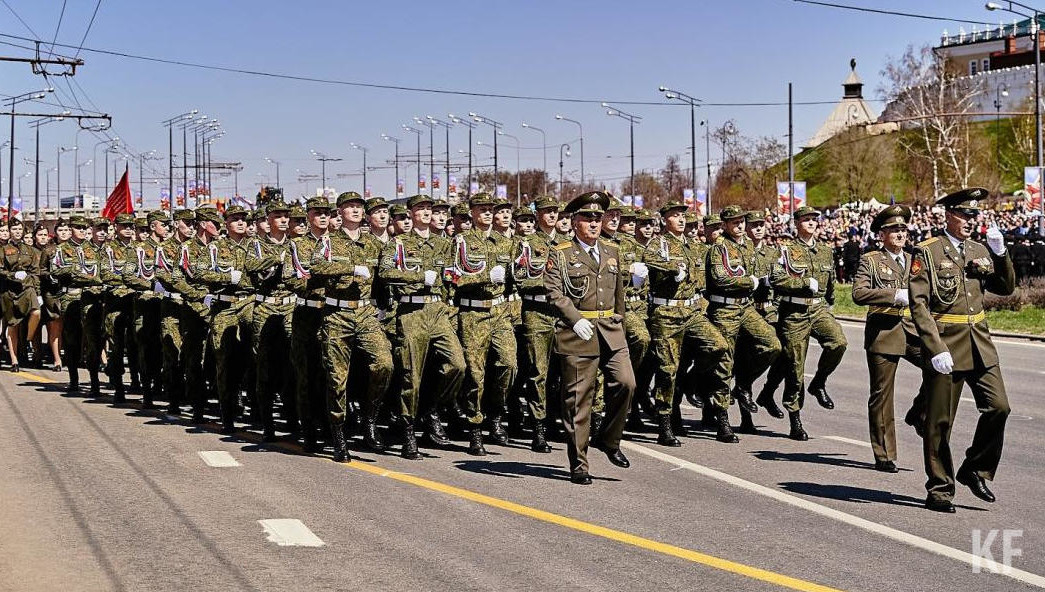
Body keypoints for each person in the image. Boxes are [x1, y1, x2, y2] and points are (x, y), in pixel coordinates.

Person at [909, 188, 1014, 513]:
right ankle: (940, 489)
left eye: (974, 215)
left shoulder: (978, 249)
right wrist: (934, 346)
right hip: (947, 345)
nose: (971, 221)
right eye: (965, 215)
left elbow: (1005, 287)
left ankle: (974, 469)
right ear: (949, 215)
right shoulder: (928, 251)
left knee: (999, 407)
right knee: (940, 422)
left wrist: (1000, 254)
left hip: (980, 343)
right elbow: (919, 304)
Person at [544, 191, 635, 485]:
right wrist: (575, 318)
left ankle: (608, 440)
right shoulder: (561, 252)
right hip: (578, 333)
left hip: (610, 330)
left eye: (599, 217)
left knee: (626, 383)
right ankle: (579, 463)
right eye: (588, 218)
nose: (595, 223)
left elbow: (619, 293)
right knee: (578, 402)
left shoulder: (612, 251)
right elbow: (554, 293)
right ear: (574, 221)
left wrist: (620, 319)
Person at [379, 199, 465, 459]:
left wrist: (453, 282)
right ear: (411, 214)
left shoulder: (445, 244)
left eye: (431, 210)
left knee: (457, 366)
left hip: (438, 310)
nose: (427, 214)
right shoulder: (400, 243)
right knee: (411, 375)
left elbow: (454, 275)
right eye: (421, 210)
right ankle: (408, 430)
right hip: (412, 311)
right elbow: (385, 272)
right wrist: (418, 277)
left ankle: (429, 409)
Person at [312, 192, 393, 461]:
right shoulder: (329, 241)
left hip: (367, 313)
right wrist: (348, 270)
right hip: (337, 314)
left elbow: (387, 273)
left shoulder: (374, 243)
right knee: (337, 379)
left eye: (360, 207)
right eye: (350, 207)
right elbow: (316, 267)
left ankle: (370, 418)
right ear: (340, 212)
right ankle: (338, 436)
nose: (356, 210)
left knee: (384, 364)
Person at [851, 205, 927, 473]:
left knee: (943, 370)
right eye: (894, 229)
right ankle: (884, 454)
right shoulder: (871, 260)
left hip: (915, 330)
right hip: (884, 332)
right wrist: (893, 295)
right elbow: (858, 294)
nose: (900, 233)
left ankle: (918, 412)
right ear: (881, 234)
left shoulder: (915, 259)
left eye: (903, 229)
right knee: (882, 395)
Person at [645, 202, 728, 445]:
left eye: (682, 216)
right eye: (674, 216)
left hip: (692, 311)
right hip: (666, 312)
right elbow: (648, 258)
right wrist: (672, 268)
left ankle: (692, 384)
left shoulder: (694, 246)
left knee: (718, 346)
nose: (681, 220)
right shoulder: (660, 244)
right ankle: (665, 423)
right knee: (668, 370)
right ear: (664, 220)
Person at [771, 206, 848, 440]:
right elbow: (776, 277)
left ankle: (819, 383)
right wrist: (803, 283)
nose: (812, 223)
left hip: (817, 308)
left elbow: (831, 278)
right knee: (795, 366)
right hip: (794, 311)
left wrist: (831, 301)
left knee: (838, 342)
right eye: (806, 219)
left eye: (815, 219)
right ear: (796, 223)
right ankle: (795, 417)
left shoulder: (825, 250)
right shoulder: (786, 250)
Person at [706, 205, 781, 443]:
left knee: (772, 345)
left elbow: (759, 272)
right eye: (734, 222)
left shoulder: (747, 246)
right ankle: (722, 417)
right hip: (725, 308)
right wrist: (749, 282)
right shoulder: (719, 247)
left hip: (746, 307)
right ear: (725, 225)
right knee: (724, 363)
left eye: (741, 221)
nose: (739, 225)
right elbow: (720, 278)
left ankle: (744, 385)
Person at [453, 193, 517, 454]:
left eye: (491, 209)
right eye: (482, 209)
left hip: (500, 311)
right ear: (472, 213)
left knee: (508, 364)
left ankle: (496, 414)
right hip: (473, 313)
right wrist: (481, 277)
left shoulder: (506, 243)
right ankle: (475, 427)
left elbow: (516, 275)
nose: (489, 213)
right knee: (475, 373)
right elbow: (453, 278)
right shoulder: (461, 242)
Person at [1, 218, 41, 372]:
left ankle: (28, 338)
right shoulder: (3, 249)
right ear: (9, 231)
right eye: (14, 229)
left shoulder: (29, 250)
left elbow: (35, 271)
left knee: (36, 312)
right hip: (10, 290)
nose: (17, 232)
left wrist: (38, 293)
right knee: (13, 325)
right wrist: (12, 275)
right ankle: (14, 359)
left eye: (20, 229)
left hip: (27, 287)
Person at [34, 222, 64, 371]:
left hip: (70, 292)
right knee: (54, 326)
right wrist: (51, 277)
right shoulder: (49, 250)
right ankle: (56, 358)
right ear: (56, 232)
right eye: (61, 230)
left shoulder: (79, 249)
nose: (64, 233)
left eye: (67, 230)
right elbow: (42, 270)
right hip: (52, 293)